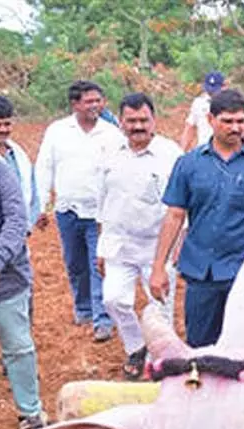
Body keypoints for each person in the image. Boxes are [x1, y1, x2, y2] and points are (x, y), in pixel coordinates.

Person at [150, 89, 244, 349]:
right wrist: (158, 267)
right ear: (211, 120)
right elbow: (174, 216)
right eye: (227, 121)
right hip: (201, 272)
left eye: (240, 121)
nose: (235, 127)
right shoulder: (188, 164)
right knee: (201, 346)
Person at [95, 93, 182, 380]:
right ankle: (136, 347)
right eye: (131, 121)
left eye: (143, 120)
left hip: (158, 246)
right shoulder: (109, 152)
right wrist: (101, 246)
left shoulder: (171, 155)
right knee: (113, 299)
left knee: (161, 308)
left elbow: (182, 206)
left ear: (154, 121)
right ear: (121, 122)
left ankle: (163, 362)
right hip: (118, 244)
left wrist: (179, 243)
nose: (138, 126)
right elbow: (102, 201)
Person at [35, 79, 121, 342]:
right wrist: (41, 205)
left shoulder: (111, 133)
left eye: (99, 100)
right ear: (75, 104)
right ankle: (83, 308)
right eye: (89, 101)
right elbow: (44, 167)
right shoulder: (58, 131)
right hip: (67, 209)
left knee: (99, 264)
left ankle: (102, 318)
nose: (95, 105)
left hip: (100, 212)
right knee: (75, 263)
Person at [0, 157, 44, 429]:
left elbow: (16, 221)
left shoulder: (1, 171)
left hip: (5, 280)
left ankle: (31, 413)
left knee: (17, 346)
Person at [0, 96, 39, 225]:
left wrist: (26, 226)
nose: (3, 129)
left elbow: (32, 194)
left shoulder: (19, 156)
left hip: (16, 232)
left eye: (7, 124)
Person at [179, 71, 223, 152]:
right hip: (203, 151)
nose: (211, 92)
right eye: (209, 89)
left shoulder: (230, 105)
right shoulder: (198, 103)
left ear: (223, 87)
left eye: (215, 90)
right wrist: (180, 153)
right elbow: (189, 129)